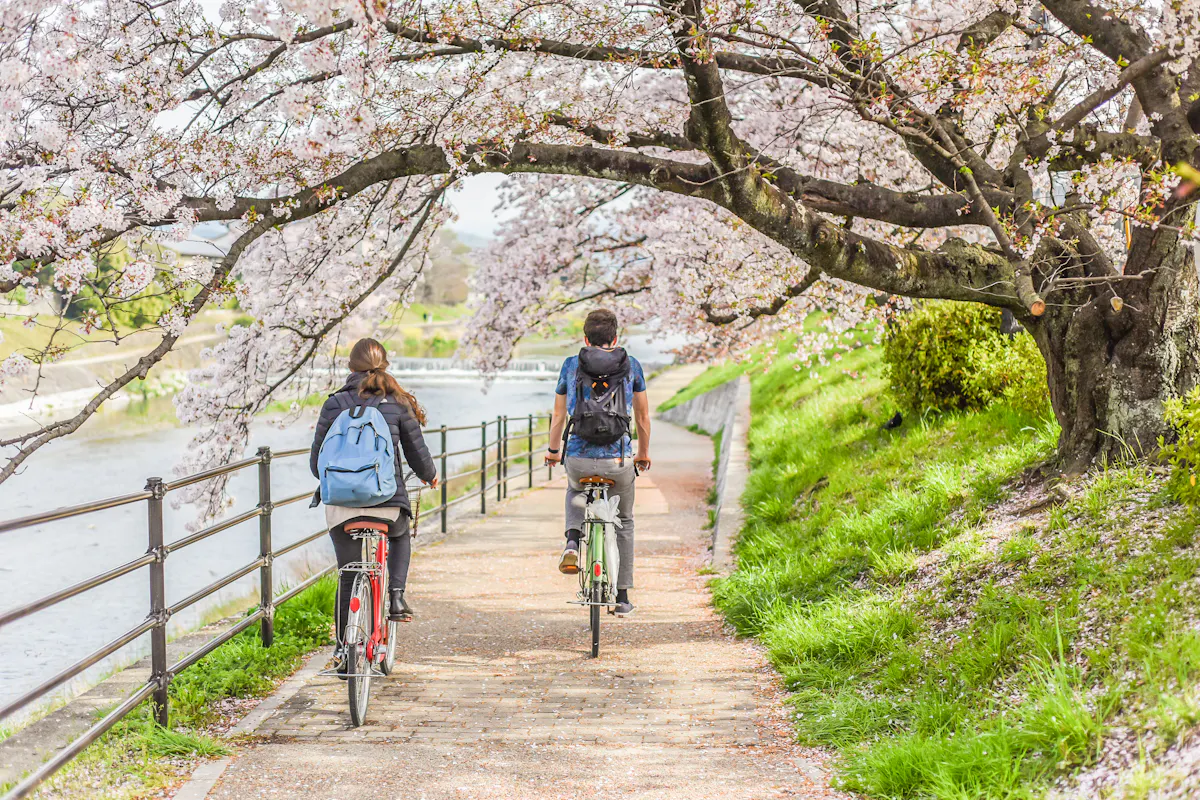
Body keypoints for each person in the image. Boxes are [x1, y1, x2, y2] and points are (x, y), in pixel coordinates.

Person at [310, 338, 438, 664]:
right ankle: (396, 597)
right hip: (387, 503)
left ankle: (343, 650)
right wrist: (430, 476)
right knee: (400, 534)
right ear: (385, 365)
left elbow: (316, 464)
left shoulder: (334, 404)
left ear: (350, 367)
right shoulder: (397, 403)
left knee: (348, 574)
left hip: (341, 507)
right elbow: (417, 454)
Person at [545, 309, 651, 616]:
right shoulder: (632, 365)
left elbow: (558, 415)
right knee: (625, 521)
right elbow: (643, 416)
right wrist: (643, 453)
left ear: (585, 339)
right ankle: (622, 596)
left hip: (579, 458)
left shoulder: (570, 364)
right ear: (615, 339)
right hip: (618, 460)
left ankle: (572, 542)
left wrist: (553, 450)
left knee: (575, 489)